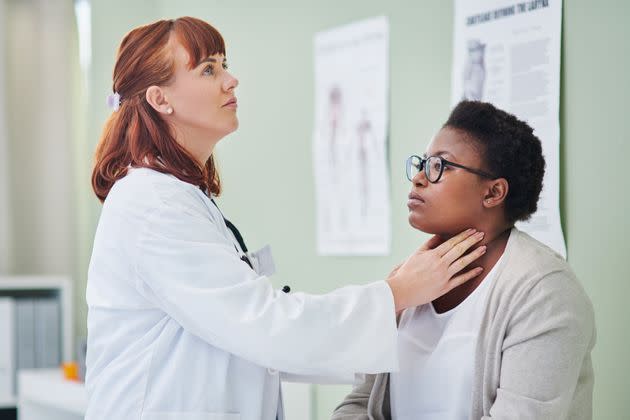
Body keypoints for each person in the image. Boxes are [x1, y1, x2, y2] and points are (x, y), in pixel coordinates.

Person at [85, 18, 487, 420]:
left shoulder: (179, 198)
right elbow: (264, 325)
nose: (231, 80)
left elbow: (255, 336)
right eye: (209, 69)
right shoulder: (152, 205)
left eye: (225, 65)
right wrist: (397, 292)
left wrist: (393, 310)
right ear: (160, 99)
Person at [332, 101, 595, 420]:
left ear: (493, 193)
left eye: (439, 166)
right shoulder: (409, 280)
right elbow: (357, 405)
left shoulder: (545, 292)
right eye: (422, 164)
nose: (418, 178)